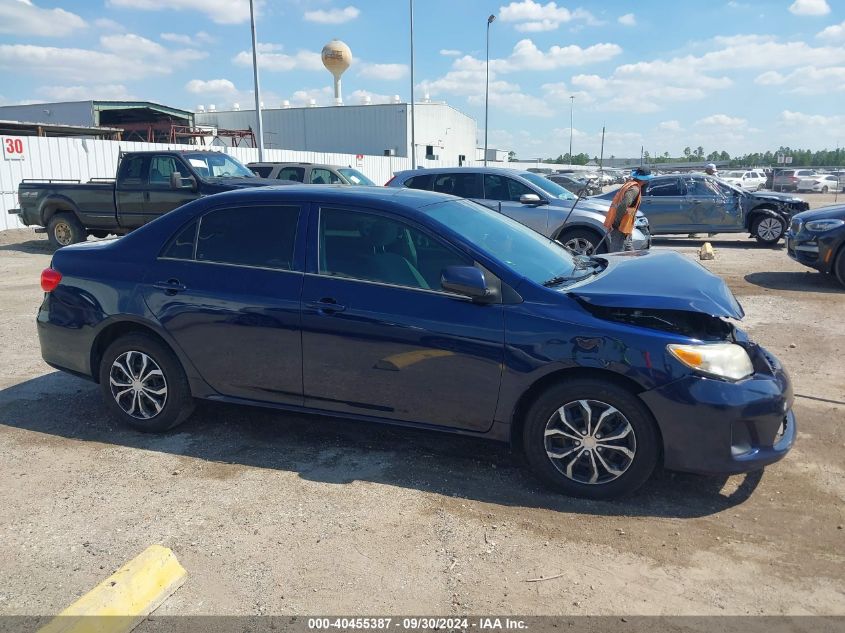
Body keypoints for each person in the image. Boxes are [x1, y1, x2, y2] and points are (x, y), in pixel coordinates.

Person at [603, 167, 652, 252]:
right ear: (644, 180)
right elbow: (624, 205)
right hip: (621, 226)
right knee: (617, 253)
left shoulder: (630, 184)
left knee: (628, 251)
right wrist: (617, 222)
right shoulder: (634, 189)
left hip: (626, 227)